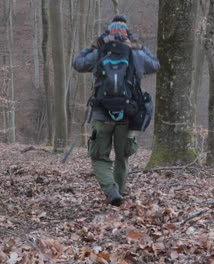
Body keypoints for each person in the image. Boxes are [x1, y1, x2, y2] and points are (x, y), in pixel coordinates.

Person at [72, 15, 160, 206]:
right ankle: (118, 192)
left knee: (99, 157)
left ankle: (112, 192)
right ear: (126, 33)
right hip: (127, 114)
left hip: (101, 114)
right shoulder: (135, 54)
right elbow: (155, 65)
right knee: (122, 157)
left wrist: (92, 46)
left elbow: (77, 63)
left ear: (109, 33)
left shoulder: (100, 52)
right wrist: (139, 46)